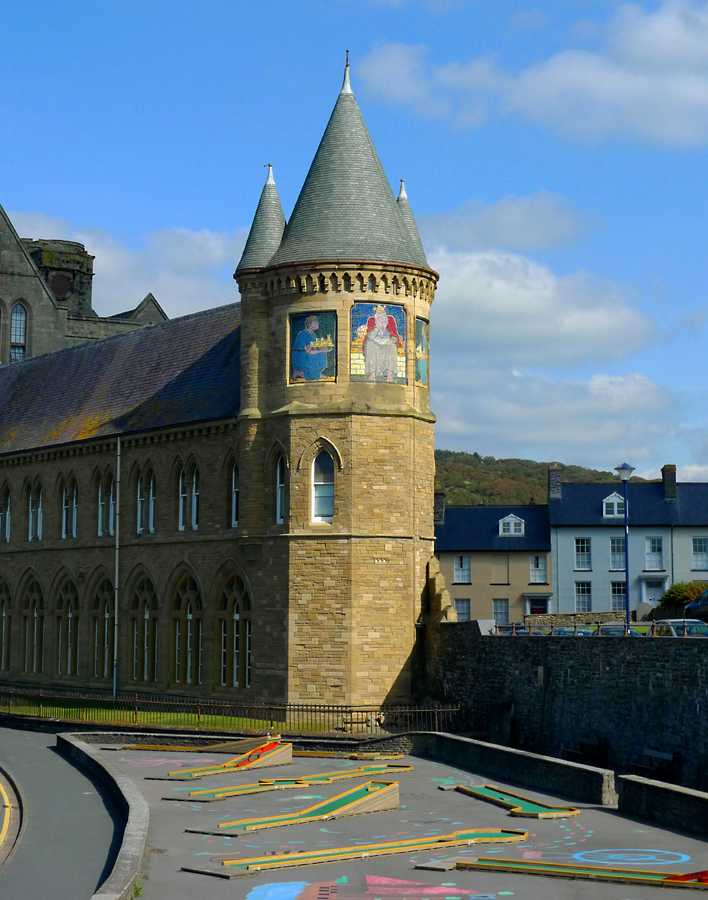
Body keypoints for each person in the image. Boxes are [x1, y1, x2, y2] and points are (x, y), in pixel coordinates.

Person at [363, 305, 402, 383]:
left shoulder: (390, 319)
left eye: (382, 307)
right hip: (374, 341)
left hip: (387, 341)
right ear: (375, 309)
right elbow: (369, 334)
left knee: (392, 346)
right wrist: (376, 329)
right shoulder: (371, 320)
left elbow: (394, 333)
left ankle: (389, 374)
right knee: (370, 345)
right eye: (378, 307)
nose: (380, 309)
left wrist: (392, 338)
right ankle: (372, 373)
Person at [291, 315, 331, 381]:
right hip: (301, 356)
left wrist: (322, 347)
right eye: (316, 322)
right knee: (321, 353)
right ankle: (303, 373)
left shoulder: (313, 334)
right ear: (310, 324)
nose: (318, 324)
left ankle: (317, 372)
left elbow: (314, 346)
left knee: (323, 352)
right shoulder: (303, 333)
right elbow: (308, 350)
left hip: (307, 353)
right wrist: (320, 350)